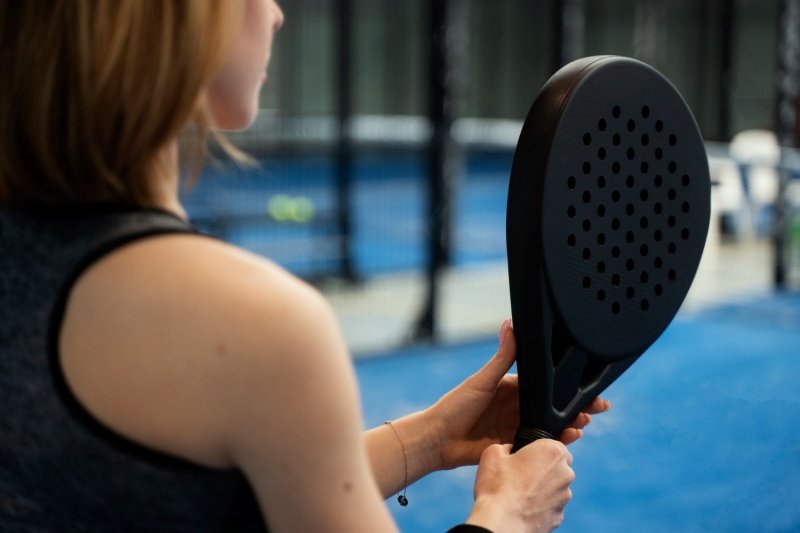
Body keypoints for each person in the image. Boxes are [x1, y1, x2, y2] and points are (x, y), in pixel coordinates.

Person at [0, 1, 609, 531]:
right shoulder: (253, 323)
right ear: (182, 18)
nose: (276, 13)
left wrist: (429, 438)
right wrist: (510, 518)